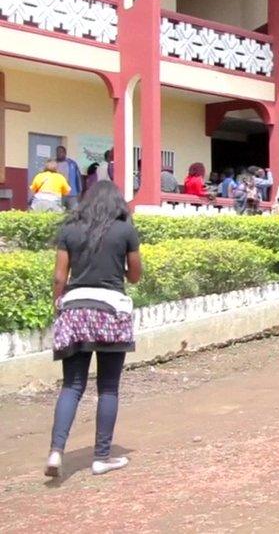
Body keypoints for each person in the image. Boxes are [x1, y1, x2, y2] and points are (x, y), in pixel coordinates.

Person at [46, 180, 142, 477]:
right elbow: (135, 276)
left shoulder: (70, 229)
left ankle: (55, 452)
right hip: (111, 310)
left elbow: (60, 277)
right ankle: (102, 457)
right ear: (117, 203)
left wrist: (57, 305)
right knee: (108, 387)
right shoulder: (124, 230)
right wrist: (118, 267)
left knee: (72, 386)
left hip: (75, 310)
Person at [55, 146, 83, 211]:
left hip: (72, 194)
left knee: (74, 213)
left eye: (60, 152)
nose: (58, 153)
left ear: (65, 153)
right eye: (57, 152)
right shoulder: (53, 164)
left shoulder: (72, 164)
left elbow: (78, 177)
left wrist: (80, 191)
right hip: (58, 194)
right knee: (58, 214)